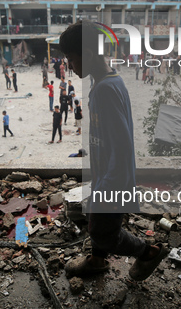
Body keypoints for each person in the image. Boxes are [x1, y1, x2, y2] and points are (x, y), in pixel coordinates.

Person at [60, 20, 168, 281]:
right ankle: (97, 261)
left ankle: (148, 252)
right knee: (98, 223)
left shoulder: (106, 90)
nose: (70, 67)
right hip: (106, 175)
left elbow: (120, 147)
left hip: (113, 179)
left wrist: (105, 186)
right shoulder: (106, 82)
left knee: (102, 232)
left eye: (71, 60)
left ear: (86, 55)